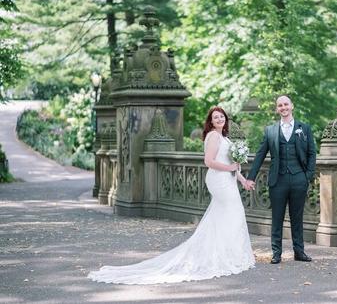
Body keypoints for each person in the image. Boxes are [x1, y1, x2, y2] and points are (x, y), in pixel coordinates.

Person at [88, 106, 255, 284]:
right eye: (216, 117)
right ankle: (225, 254)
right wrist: (230, 168)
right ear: (211, 122)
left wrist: (243, 180)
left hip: (227, 179)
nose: (220, 119)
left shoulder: (224, 137)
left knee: (226, 215)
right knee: (231, 212)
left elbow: (232, 164)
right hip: (219, 180)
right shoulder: (213, 136)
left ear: (225, 119)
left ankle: (229, 253)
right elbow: (209, 161)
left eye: (222, 116)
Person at [245, 95, 316, 264]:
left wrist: (307, 176)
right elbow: (261, 154)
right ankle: (276, 253)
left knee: (297, 217)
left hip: (299, 178)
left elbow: (312, 153)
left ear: (292, 106)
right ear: (277, 109)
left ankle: (299, 251)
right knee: (277, 217)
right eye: (280, 105)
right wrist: (251, 177)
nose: (283, 107)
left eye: (286, 104)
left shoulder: (304, 128)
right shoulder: (270, 130)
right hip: (278, 180)